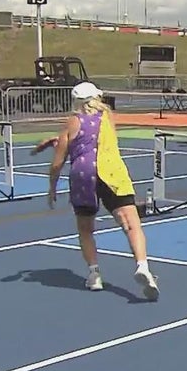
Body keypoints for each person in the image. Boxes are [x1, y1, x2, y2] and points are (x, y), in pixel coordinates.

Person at [39, 82, 161, 299]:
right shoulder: (107, 117)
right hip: (111, 172)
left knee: (86, 229)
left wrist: (52, 187)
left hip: (83, 175)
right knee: (131, 224)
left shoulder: (71, 122)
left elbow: (58, 162)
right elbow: (95, 138)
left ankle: (94, 274)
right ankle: (142, 265)